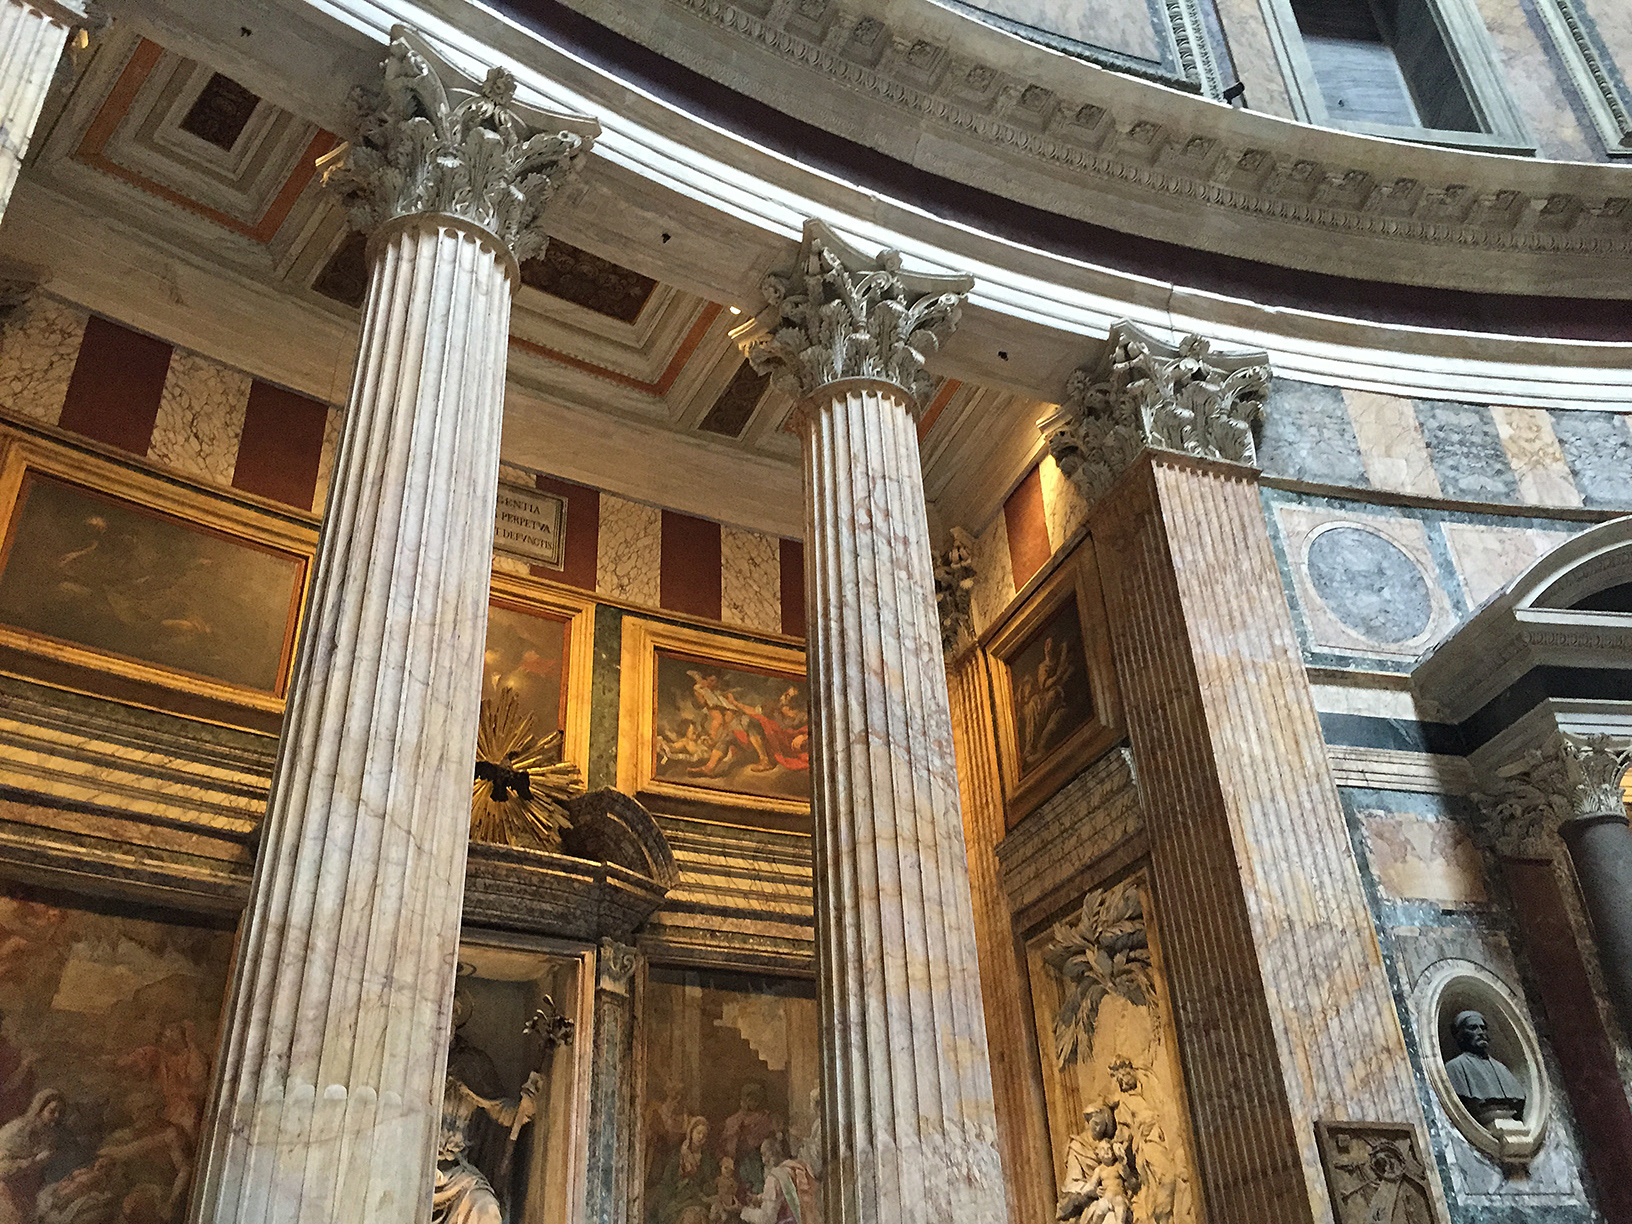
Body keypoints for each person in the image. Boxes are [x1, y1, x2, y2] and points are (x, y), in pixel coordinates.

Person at [1443, 1010, 1525, 1125]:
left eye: (1483, 1028)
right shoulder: (1454, 1068)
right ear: (1460, 1035)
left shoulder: (1502, 1069)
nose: (1480, 1032)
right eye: (1473, 1028)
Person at [0, 1090, 65, 1224]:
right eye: (52, 1111)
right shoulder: (17, 1129)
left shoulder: (49, 1134)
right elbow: (2, 1168)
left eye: (61, 1112)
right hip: (7, 1191)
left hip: (31, 1191)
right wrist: (34, 1161)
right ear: (39, 1109)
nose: (57, 1116)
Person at [717, 1082, 779, 1199]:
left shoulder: (764, 1117)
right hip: (739, 1159)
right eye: (750, 1100)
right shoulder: (735, 1119)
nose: (753, 1103)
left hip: (757, 1158)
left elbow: (768, 1136)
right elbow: (727, 1140)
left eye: (756, 1100)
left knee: (757, 1184)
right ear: (744, 1100)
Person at [739, 1133, 817, 1224]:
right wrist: (759, 1198)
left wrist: (744, 1212)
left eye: (764, 1154)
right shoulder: (793, 1169)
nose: (763, 1161)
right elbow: (785, 1196)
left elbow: (767, 1219)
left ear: (772, 1153)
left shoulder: (773, 1178)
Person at [650, 1116, 715, 1224]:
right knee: (691, 1216)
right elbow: (667, 1182)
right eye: (698, 1132)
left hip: (699, 1200)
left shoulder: (707, 1158)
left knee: (700, 1215)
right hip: (679, 1200)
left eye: (704, 1135)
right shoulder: (677, 1156)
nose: (700, 1137)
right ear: (691, 1132)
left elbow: (709, 1182)